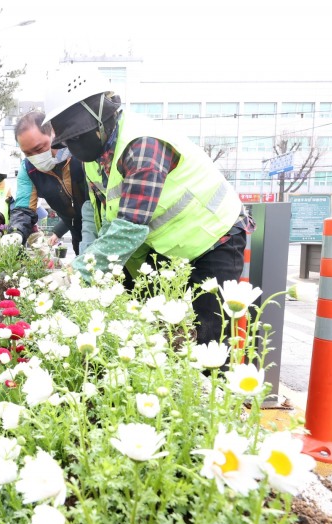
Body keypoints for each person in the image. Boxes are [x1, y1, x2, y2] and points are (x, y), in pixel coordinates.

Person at [42, 68, 253, 345]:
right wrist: (89, 263)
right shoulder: (97, 159)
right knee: (158, 333)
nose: (72, 145)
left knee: (208, 340)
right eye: (67, 140)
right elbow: (104, 219)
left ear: (100, 117)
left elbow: (128, 229)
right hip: (169, 249)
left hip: (213, 239)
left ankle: (222, 385)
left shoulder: (142, 146)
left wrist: (75, 275)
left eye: (77, 136)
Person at [0, 111, 89, 255]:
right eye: (28, 153)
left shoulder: (80, 153)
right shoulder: (28, 170)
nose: (36, 157)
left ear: (53, 133)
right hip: (77, 233)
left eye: (39, 148)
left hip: (104, 228)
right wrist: (16, 232)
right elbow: (24, 209)